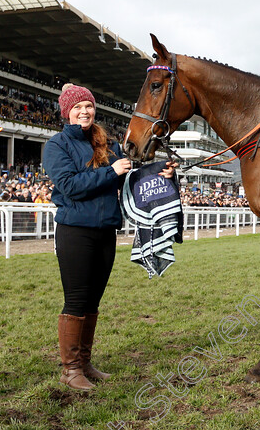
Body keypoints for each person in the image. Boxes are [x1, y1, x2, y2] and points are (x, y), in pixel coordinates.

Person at [43, 83, 176, 391]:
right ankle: (69, 369)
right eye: (77, 107)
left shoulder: (109, 144)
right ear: (67, 112)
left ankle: (85, 363)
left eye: (88, 106)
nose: (84, 111)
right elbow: (70, 186)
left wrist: (160, 174)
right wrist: (111, 172)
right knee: (76, 299)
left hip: (106, 232)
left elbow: (129, 178)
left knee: (93, 301)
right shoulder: (56, 146)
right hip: (75, 231)